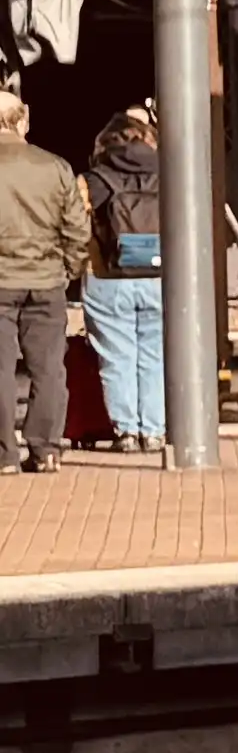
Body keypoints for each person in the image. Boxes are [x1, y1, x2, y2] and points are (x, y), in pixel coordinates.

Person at [0, 88, 86, 473]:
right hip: (47, 280)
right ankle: (45, 449)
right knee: (49, 368)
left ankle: (3, 456)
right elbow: (77, 230)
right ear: (23, 120)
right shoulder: (56, 167)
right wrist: (70, 269)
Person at [76, 105, 163, 452]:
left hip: (107, 277)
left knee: (116, 356)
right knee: (155, 355)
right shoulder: (171, 174)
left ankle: (126, 432)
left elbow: (73, 224)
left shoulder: (94, 180)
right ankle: (154, 431)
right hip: (160, 275)